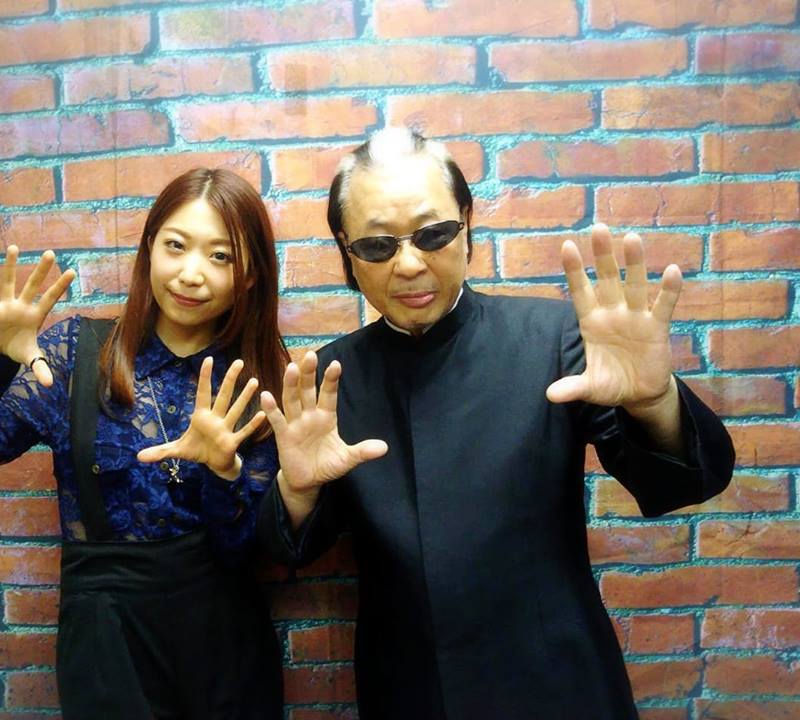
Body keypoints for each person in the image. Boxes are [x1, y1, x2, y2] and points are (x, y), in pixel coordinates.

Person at [256, 128, 735, 719]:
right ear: (346, 251)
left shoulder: (554, 339)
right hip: (412, 692)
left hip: (558, 686)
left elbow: (682, 482)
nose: (409, 264)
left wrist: (654, 401)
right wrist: (298, 490)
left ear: (466, 224)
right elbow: (291, 548)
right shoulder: (330, 378)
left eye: (433, 234)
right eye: (377, 246)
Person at [0, 168, 287, 719]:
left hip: (223, 647)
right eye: (176, 246)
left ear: (251, 275)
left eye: (221, 257)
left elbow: (241, 553)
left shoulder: (253, 383)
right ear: (149, 248)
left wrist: (224, 471)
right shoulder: (78, 353)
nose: (191, 274)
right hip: (105, 642)